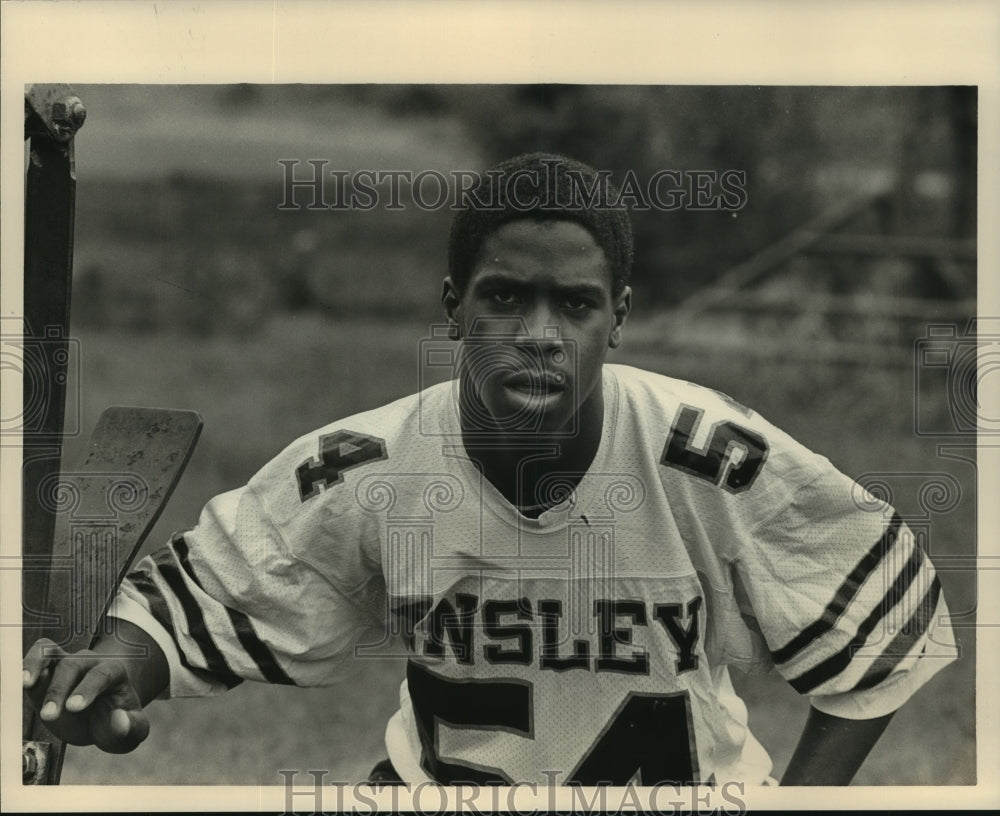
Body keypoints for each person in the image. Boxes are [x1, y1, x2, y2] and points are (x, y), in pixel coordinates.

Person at [23, 153, 957, 786]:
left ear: (618, 317)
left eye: (576, 305)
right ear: (453, 306)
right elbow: (205, 600)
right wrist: (111, 669)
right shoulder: (370, 467)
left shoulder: (708, 455)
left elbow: (891, 621)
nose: (539, 337)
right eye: (506, 298)